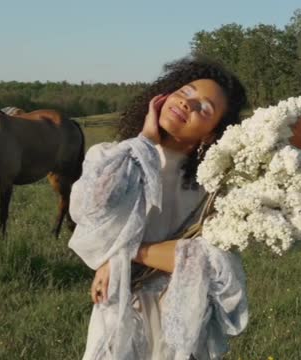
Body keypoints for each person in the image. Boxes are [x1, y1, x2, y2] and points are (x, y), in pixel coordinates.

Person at [68, 57, 249, 359]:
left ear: (211, 134)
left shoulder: (213, 188)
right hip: (120, 313)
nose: (188, 104)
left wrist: (122, 254)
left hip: (180, 318)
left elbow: (212, 263)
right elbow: (91, 212)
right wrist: (145, 142)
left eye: (204, 108)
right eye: (186, 91)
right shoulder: (113, 159)